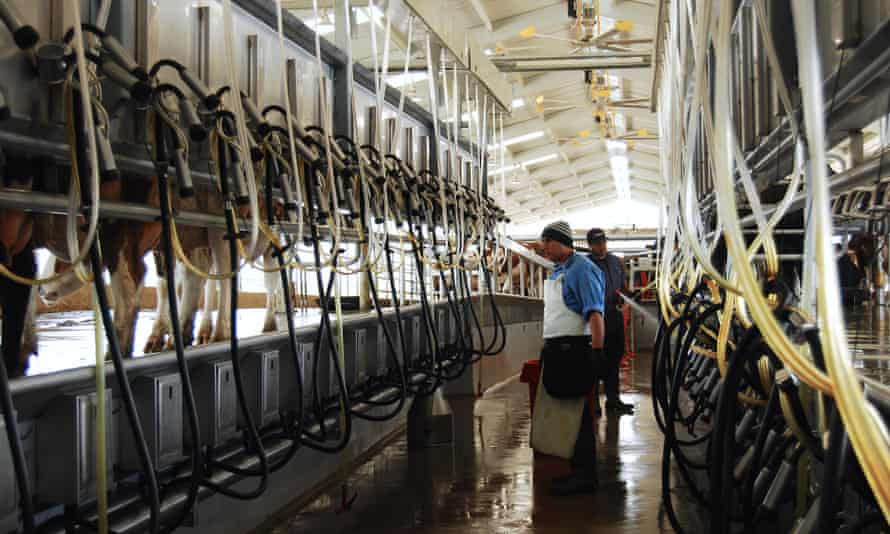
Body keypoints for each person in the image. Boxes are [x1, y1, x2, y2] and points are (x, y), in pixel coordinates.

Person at [536, 220, 606, 496]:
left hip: (574, 351)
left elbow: (595, 314)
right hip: (558, 350)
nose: (544, 248)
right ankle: (576, 470)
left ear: (561, 242)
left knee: (579, 415)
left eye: (547, 242)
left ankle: (585, 476)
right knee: (567, 414)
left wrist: (598, 353)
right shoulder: (560, 270)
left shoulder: (582, 269)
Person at [586, 228, 634, 415]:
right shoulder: (586, 264)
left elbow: (621, 286)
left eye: (604, 242)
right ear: (590, 245)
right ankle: (594, 402)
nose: (602, 246)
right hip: (596, 317)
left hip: (614, 316)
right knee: (597, 360)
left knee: (614, 358)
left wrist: (625, 296)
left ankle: (613, 401)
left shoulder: (615, 261)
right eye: (597, 243)